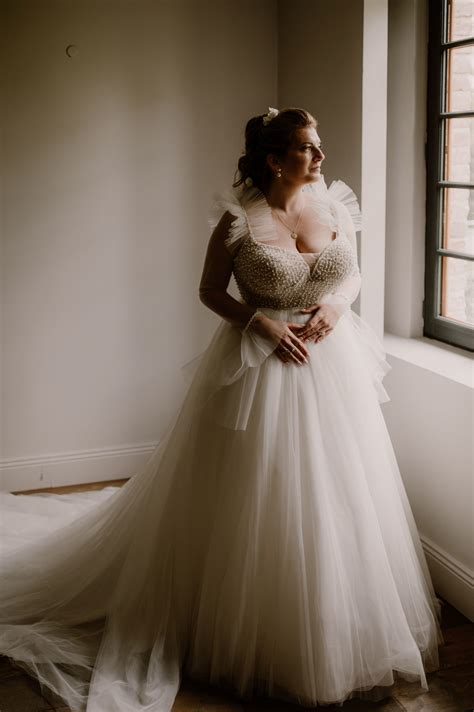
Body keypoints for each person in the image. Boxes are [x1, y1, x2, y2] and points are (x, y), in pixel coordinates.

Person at [0, 107, 444, 711]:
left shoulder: (332, 206)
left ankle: (337, 625)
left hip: (330, 367)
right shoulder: (238, 222)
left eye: (318, 147)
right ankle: (251, 630)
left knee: (341, 496)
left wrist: (336, 309)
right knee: (259, 497)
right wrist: (258, 320)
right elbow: (208, 290)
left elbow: (351, 273)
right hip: (260, 371)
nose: (320, 159)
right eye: (308, 149)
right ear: (274, 159)